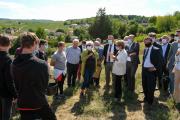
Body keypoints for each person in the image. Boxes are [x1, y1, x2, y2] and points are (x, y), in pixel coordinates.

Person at [12, 32, 56, 120]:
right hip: (38, 102)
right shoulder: (41, 64)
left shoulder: (14, 63)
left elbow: (15, 83)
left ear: (22, 44)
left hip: (22, 103)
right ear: (34, 44)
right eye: (37, 43)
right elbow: (44, 86)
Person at [0, 35, 17, 120]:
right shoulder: (7, 59)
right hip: (6, 94)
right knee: (6, 116)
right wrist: (15, 95)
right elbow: (9, 81)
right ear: (9, 45)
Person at [142, 37, 162, 105]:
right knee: (144, 84)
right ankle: (146, 97)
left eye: (147, 41)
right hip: (144, 70)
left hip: (151, 70)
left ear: (151, 41)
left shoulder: (156, 49)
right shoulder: (145, 49)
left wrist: (155, 68)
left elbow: (160, 61)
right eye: (145, 42)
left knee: (151, 86)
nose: (146, 43)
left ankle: (150, 101)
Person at [167, 30, 180, 95]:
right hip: (172, 65)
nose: (177, 36)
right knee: (171, 79)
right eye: (176, 35)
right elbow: (170, 54)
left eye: (178, 35)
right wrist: (169, 62)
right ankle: (171, 93)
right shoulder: (173, 44)